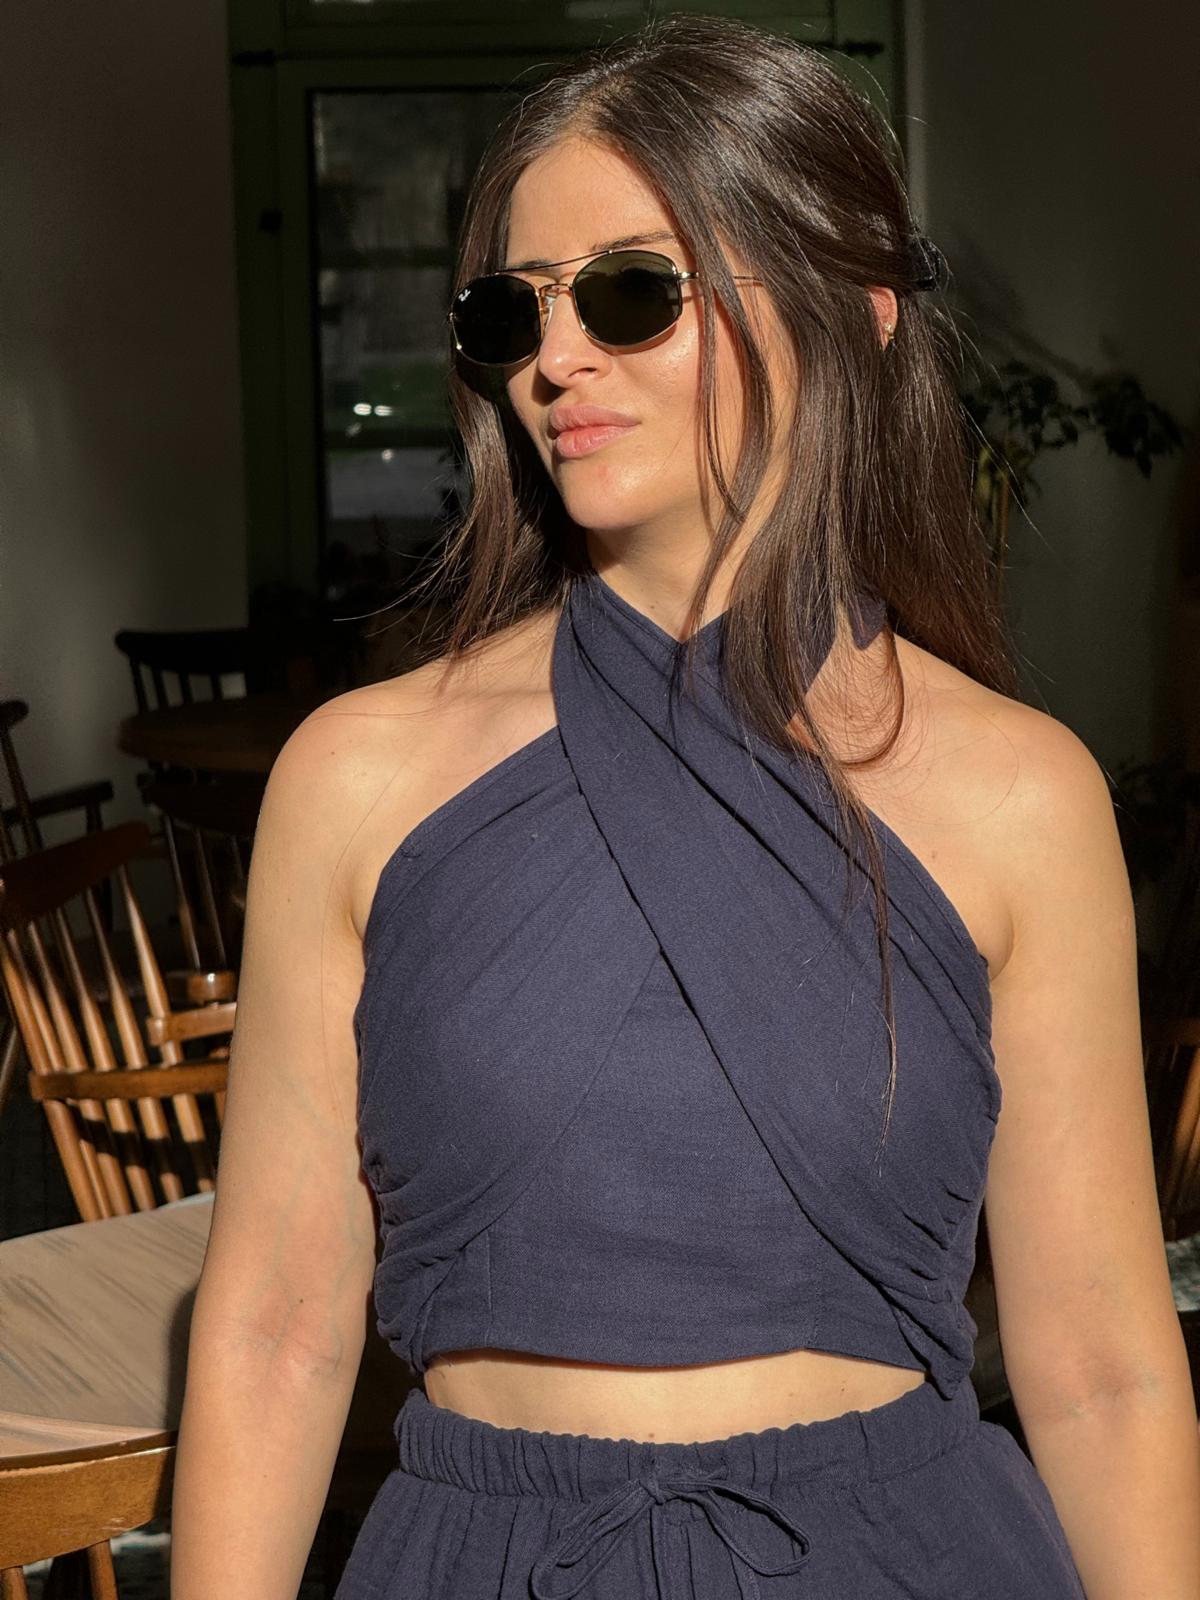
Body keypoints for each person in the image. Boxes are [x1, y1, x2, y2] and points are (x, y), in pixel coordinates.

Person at [169, 15, 1200, 1600]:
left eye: (631, 294)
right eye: (512, 310)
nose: (555, 361)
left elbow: (1105, 1369)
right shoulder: (358, 777)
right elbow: (275, 1331)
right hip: (483, 1560)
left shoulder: (1018, 794)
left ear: (852, 312)